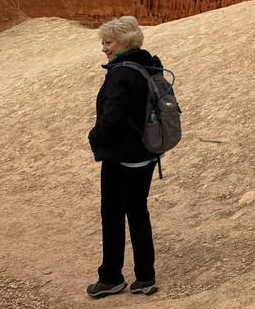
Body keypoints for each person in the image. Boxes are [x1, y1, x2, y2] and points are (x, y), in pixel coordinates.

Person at [86, 16, 162, 298]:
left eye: (108, 43)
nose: (104, 48)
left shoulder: (120, 73)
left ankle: (111, 277)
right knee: (138, 212)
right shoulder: (148, 63)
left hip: (121, 158)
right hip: (147, 154)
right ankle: (145, 277)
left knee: (113, 216)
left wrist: (95, 137)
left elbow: (112, 119)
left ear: (124, 42)